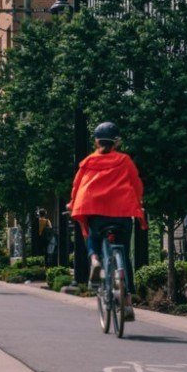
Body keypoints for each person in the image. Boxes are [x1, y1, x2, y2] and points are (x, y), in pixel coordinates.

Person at [68, 121, 146, 322]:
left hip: (96, 212)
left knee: (93, 237)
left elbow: (78, 186)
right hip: (122, 213)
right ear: (116, 142)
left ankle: (94, 260)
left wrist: (72, 203)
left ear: (96, 141)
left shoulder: (88, 162)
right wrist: (138, 202)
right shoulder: (124, 160)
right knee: (124, 255)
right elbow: (136, 183)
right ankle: (127, 303)